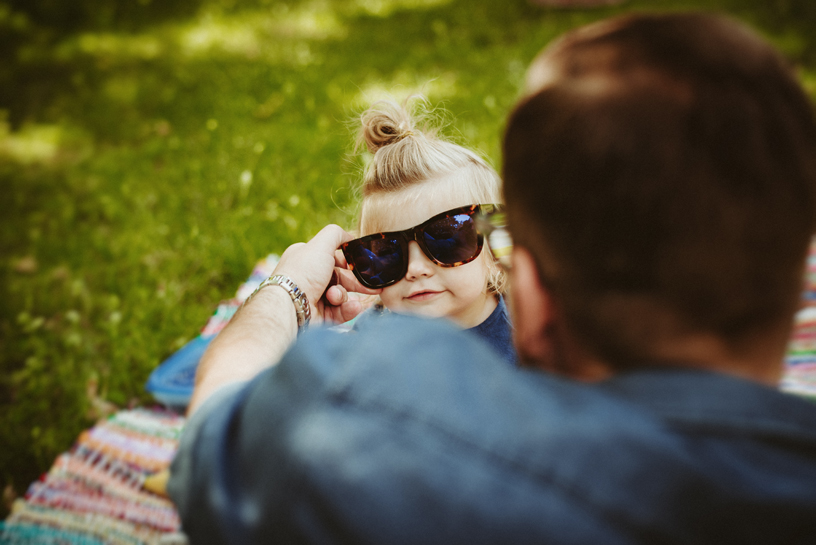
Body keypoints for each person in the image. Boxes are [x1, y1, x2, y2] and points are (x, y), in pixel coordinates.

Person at [169, 11, 816, 544]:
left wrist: (283, 293)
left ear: (521, 280)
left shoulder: (354, 414)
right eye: (386, 252)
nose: (419, 266)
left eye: (449, 236)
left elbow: (209, 438)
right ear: (795, 282)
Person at [343, 99, 514, 363]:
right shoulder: (371, 341)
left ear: (495, 249)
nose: (415, 270)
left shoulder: (528, 343)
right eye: (388, 254)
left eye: (446, 241)